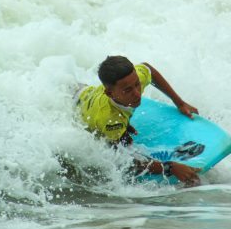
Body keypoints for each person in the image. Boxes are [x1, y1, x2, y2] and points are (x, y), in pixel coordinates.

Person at [76, 55, 202, 185]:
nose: (137, 93)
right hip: (73, 103)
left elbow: (149, 69)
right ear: (110, 93)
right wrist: (170, 167)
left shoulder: (132, 79)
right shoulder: (110, 121)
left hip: (88, 93)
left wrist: (180, 103)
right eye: (128, 90)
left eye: (137, 85)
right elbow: (125, 162)